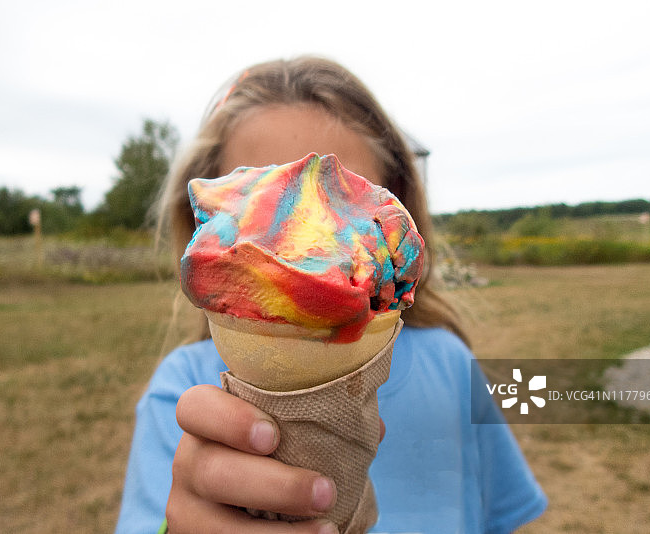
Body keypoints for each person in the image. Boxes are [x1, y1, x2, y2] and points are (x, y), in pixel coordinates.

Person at [115, 56, 547, 534]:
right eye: (258, 199)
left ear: (399, 206)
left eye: (343, 199)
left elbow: (501, 519)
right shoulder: (179, 394)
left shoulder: (451, 366)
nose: (302, 258)